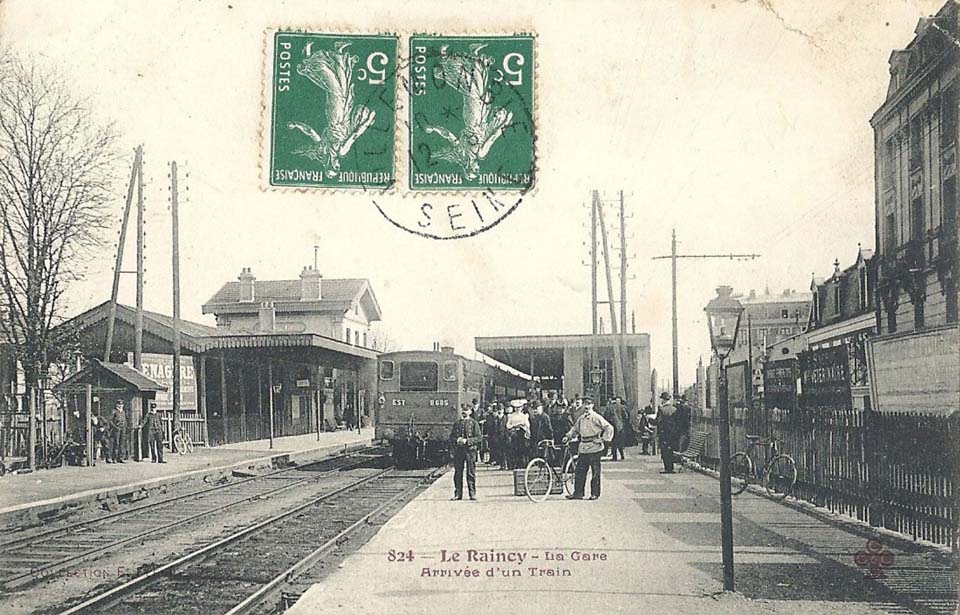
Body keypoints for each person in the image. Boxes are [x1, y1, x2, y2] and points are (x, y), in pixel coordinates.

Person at [564, 397, 614, 500]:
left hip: (594, 447)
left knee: (595, 472)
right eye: (585, 404)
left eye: (589, 404)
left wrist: (603, 439)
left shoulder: (596, 417)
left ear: (592, 406)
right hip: (583, 447)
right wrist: (568, 435)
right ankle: (578, 493)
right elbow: (575, 428)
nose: (586, 406)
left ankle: (595, 493)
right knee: (580, 471)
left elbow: (609, 427)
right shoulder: (581, 418)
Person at [449, 404, 482, 500]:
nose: (464, 412)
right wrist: (457, 440)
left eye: (466, 410)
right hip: (459, 451)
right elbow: (452, 437)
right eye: (463, 410)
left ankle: (472, 493)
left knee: (470, 473)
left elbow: (479, 438)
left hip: (470, 451)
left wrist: (467, 441)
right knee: (458, 473)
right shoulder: (457, 424)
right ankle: (458, 494)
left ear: (470, 412)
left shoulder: (474, 423)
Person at [505, 400, 530, 469]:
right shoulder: (511, 416)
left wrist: (522, 426)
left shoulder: (524, 416)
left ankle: (522, 464)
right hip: (514, 434)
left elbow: (527, 425)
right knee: (514, 449)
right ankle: (514, 464)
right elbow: (508, 425)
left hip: (521, 434)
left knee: (521, 449)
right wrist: (513, 426)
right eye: (516, 407)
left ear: (522, 408)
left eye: (519, 407)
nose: (517, 409)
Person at [658, 393, 679, 473]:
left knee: (664, 450)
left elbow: (659, 421)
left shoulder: (662, 410)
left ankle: (667, 468)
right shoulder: (674, 409)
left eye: (661, 399)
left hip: (664, 433)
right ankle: (671, 467)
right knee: (671, 450)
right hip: (673, 433)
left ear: (663, 400)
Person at [109, 399, 127, 464]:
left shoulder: (123, 412)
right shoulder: (114, 411)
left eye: (121, 404)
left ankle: (121, 458)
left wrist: (125, 427)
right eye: (119, 404)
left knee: (122, 444)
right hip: (117, 429)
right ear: (117, 405)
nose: (120, 406)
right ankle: (115, 458)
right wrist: (115, 427)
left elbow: (125, 420)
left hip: (123, 429)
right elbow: (110, 421)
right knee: (116, 443)